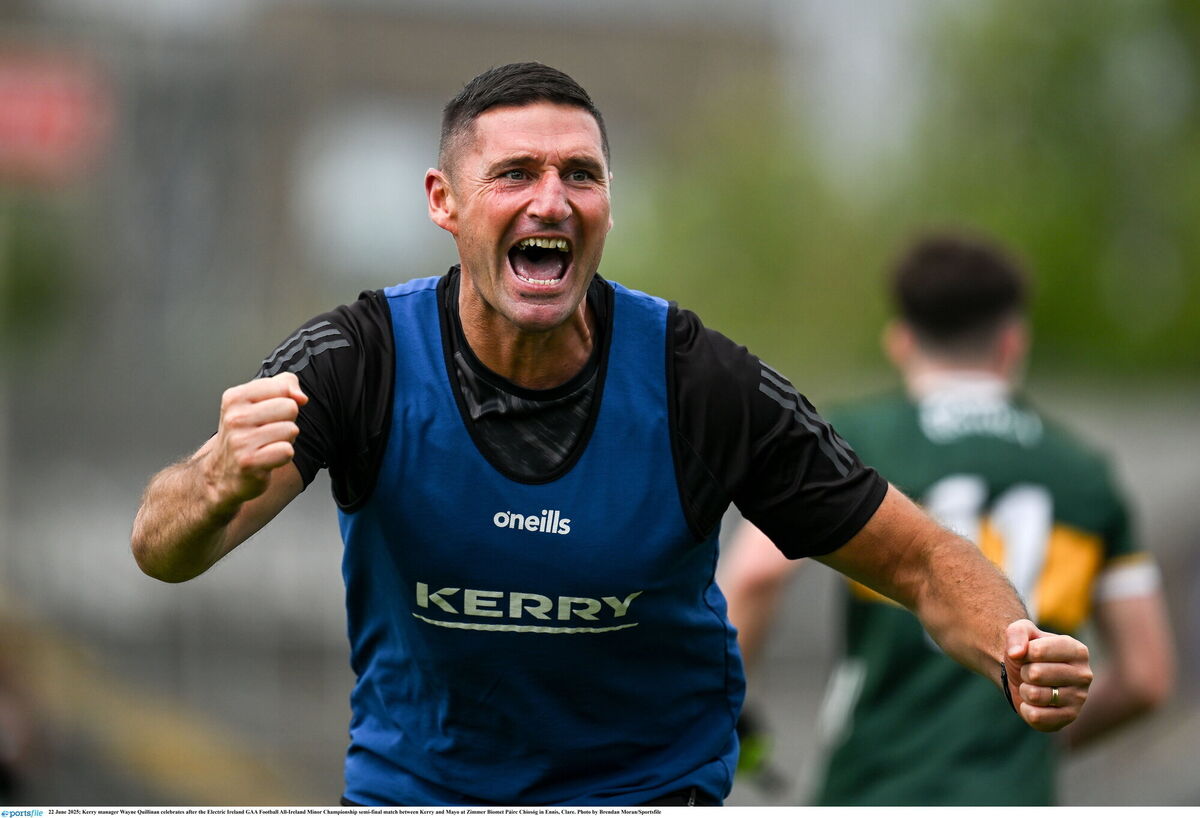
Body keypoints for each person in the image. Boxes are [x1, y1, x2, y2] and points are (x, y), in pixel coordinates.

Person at [131, 64, 1093, 807]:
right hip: (418, 798)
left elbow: (920, 561)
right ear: (444, 202)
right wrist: (214, 476)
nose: (552, 200)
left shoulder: (699, 382)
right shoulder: (357, 361)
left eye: (580, 175)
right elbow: (162, 550)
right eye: (516, 173)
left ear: (606, 206)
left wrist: (1013, 645)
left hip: (646, 795)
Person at [722, 232, 1175, 805]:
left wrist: (726, 713)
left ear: (901, 341)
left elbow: (755, 575)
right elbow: (1145, 678)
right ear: (1012, 341)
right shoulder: (1083, 473)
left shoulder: (853, 438)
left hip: (875, 787)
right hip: (1011, 796)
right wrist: (1033, 746)